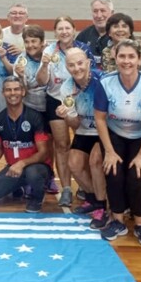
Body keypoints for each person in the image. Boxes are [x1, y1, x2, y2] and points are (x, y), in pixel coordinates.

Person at [94, 40, 141, 246]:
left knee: (137, 176)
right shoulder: (105, 82)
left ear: (139, 60)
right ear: (115, 59)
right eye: (122, 56)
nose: (126, 61)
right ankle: (117, 221)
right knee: (113, 173)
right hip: (115, 133)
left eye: (131, 56)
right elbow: (100, 119)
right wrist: (109, 151)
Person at [37, 15, 93, 207]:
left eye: (67, 28)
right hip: (56, 100)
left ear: (74, 30)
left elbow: (91, 75)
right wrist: (45, 65)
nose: (64, 31)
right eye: (60, 28)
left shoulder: (84, 49)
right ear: (55, 32)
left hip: (80, 99)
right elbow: (42, 81)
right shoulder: (48, 51)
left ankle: (85, 186)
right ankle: (67, 189)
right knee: (61, 145)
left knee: (83, 145)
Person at [0, 76, 52, 212]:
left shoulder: (35, 117)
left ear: (23, 92)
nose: (12, 93)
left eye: (16, 89)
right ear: (3, 93)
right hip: (13, 169)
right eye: (8, 90)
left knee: (33, 174)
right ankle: (18, 186)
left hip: (36, 167)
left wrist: (22, 163)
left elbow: (43, 153)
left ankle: (37, 198)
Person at [57, 48, 108, 230]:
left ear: (88, 62)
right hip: (85, 131)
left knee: (95, 161)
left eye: (80, 63)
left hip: (106, 131)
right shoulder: (66, 88)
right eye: (71, 65)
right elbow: (75, 124)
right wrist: (66, 115)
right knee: (74, 164)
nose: (76, 68)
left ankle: (102, 207)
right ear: (67, 67)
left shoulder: (104, 81)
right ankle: (94, 199)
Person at [13, 25, 48, 113]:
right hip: (30, 107)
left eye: (33, 41)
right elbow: (22, 93)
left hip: (52, 106)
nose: (30, 45)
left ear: (42, 42)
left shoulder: (50, 55)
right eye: (26, 42)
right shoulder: (20, 62)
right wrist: (21, 77)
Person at [75, 0, 114, 69]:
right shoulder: (83, 36)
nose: (99, 15)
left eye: (103, 11)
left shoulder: (118, 36)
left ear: (112, 13)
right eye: (95, 11)